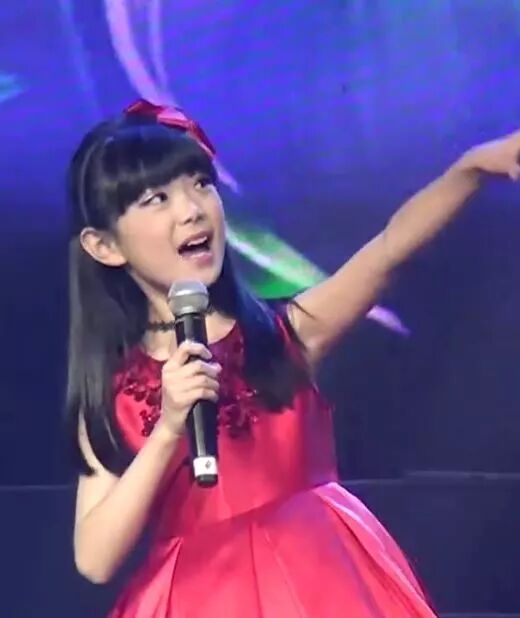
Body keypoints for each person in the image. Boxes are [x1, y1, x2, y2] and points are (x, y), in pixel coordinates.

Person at [67, 98, 520, 618]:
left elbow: (388, 250)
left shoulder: (284, 335)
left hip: (321, 578)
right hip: (201, 599)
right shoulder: (112, 391)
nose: (191, 209)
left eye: (201, 184)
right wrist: (169, 427)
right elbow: (95, 559)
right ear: (104, 246)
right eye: (157, 199)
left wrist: (469, 172)